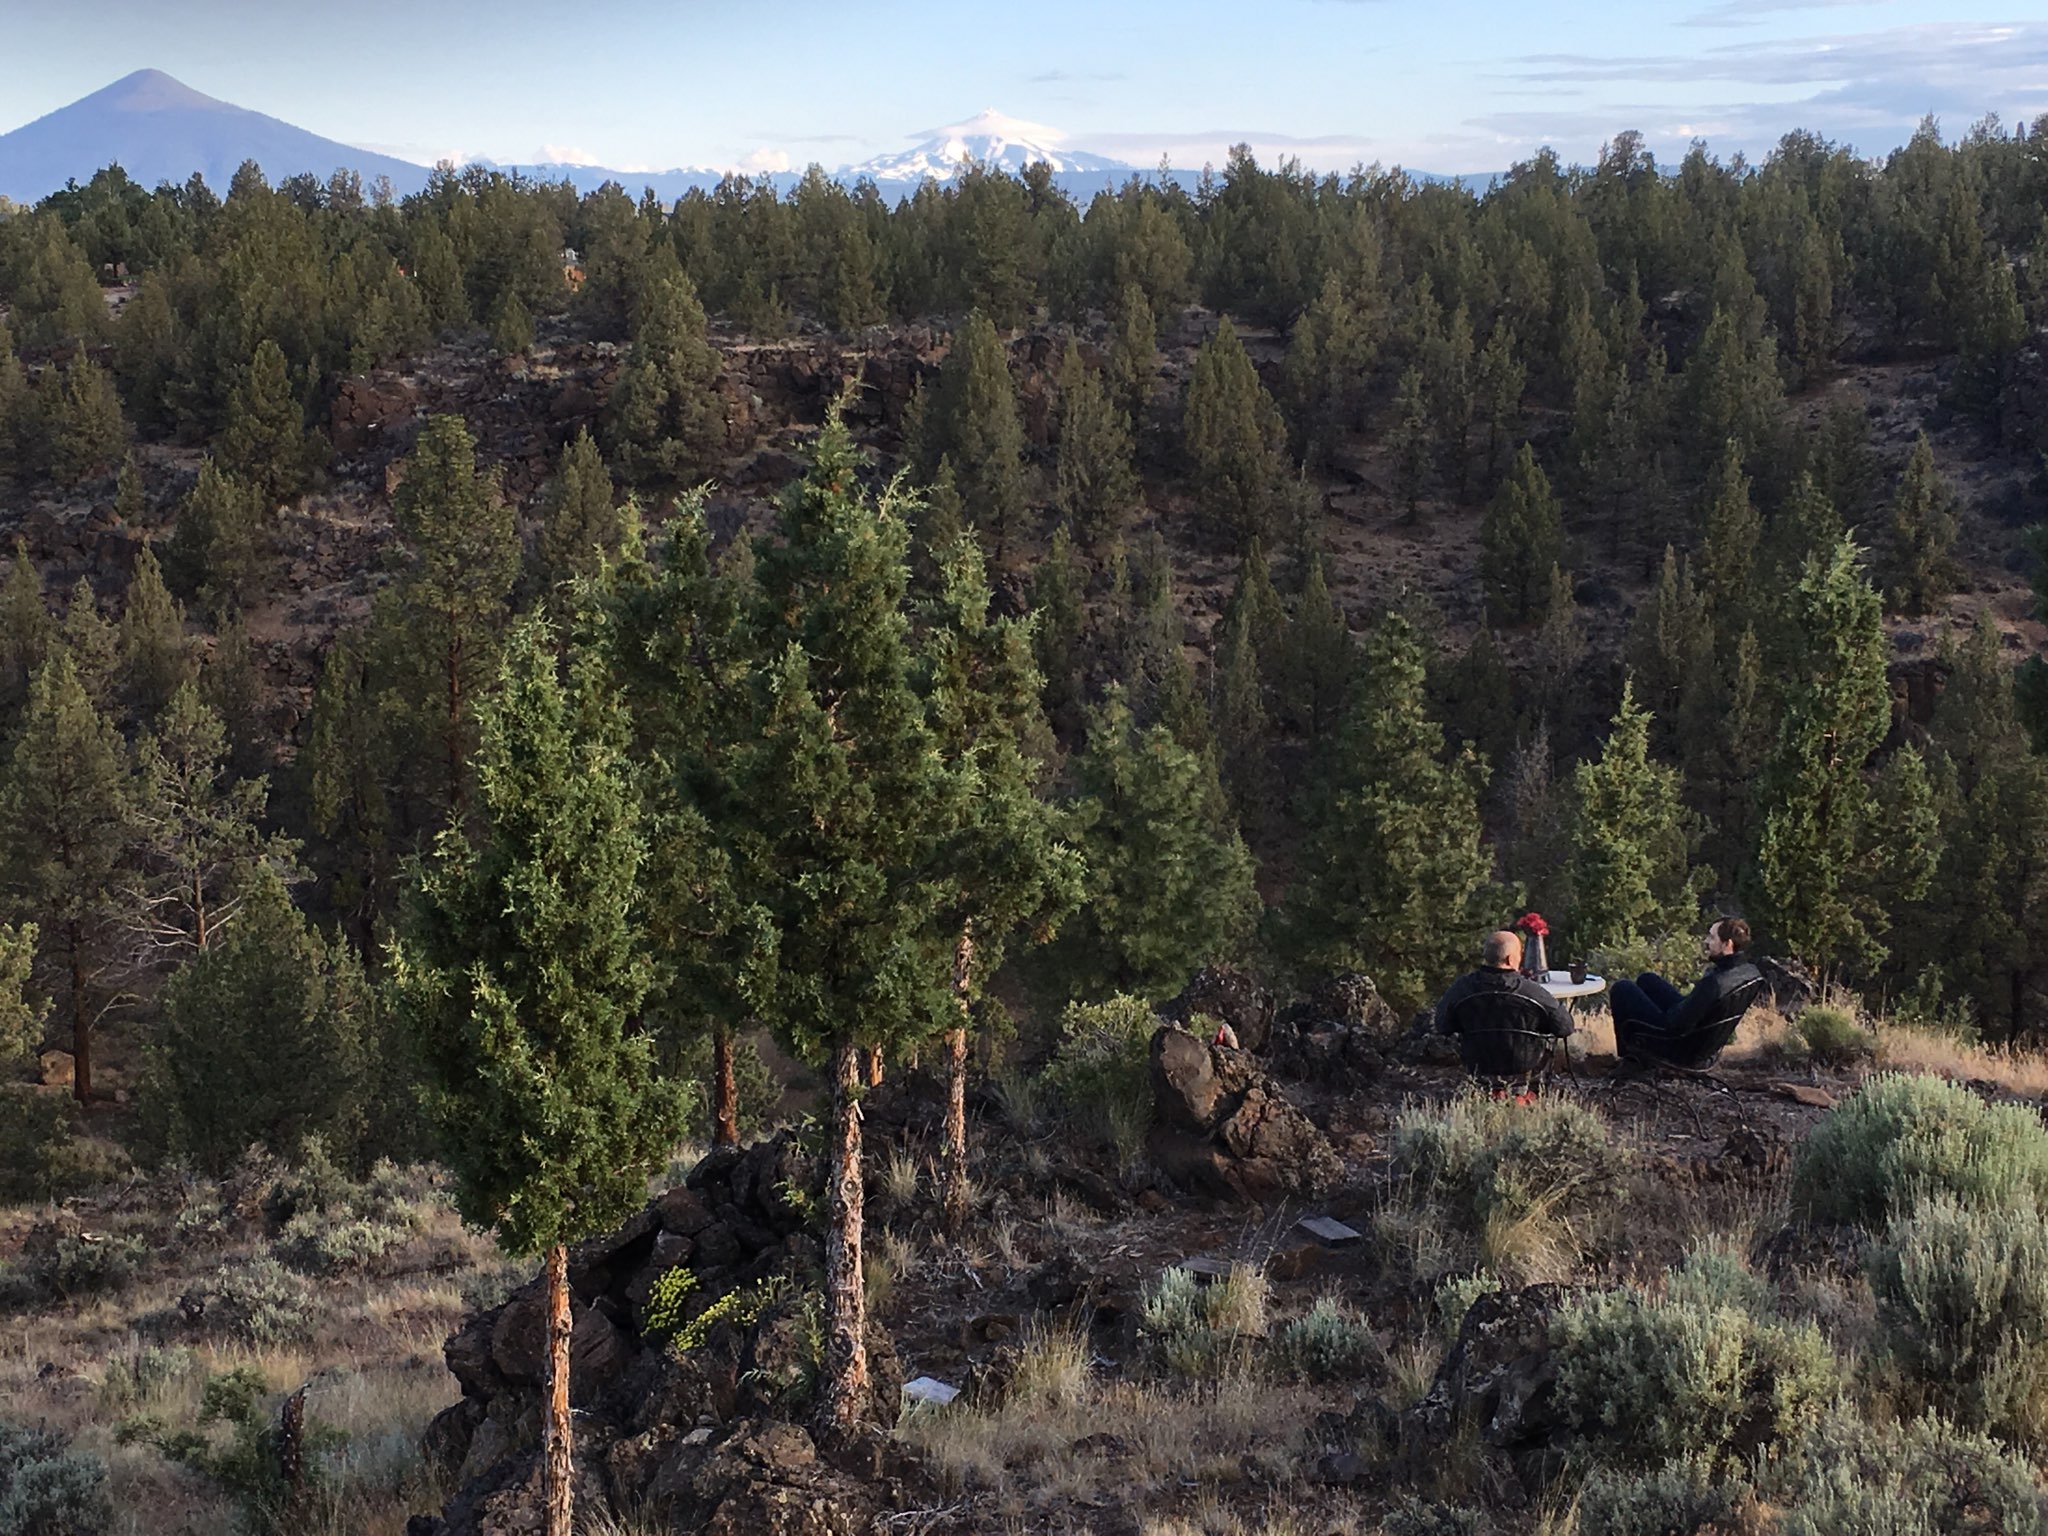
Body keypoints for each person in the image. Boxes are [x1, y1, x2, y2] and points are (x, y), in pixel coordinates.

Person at [1609, 917, 1763, 1061]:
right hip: (1702, 1042)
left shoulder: (1715, 982)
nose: (1707, 941)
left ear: (1727, 944)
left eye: (1712, 937)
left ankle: (1631, 1058)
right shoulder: (1748, 972)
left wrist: (1666, 1010)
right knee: (1647, 979)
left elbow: (1677, 1025)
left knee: (1622, 988)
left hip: (1680, 1047)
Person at [1435, 929, 1576, 1082]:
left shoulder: (1462, 987)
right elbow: (1565, 1027)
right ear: (1510, 959)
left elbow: (1442, 1025)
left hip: (1477, 1063)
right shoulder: (1532, 991)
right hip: (1524, 1064)